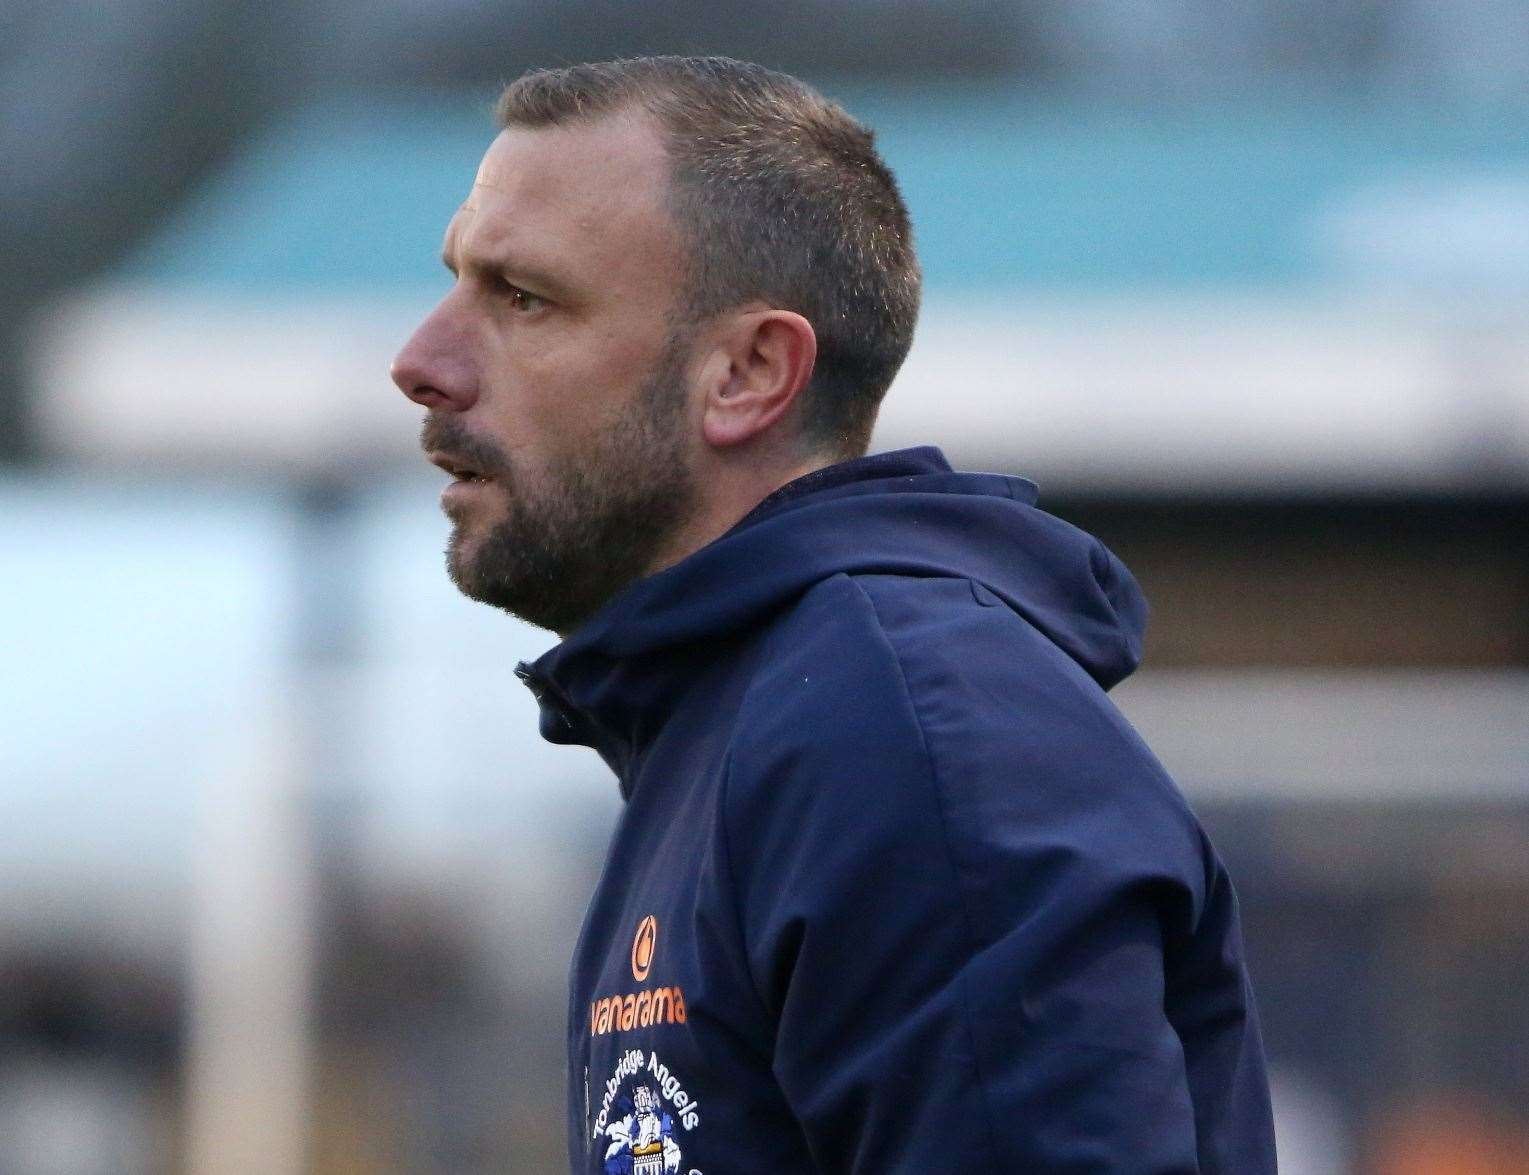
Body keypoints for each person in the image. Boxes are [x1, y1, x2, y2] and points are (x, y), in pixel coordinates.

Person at [391, 55, 1276, 1173]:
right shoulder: (744, 720)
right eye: (457, 281)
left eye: (524, 299)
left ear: (748, 372)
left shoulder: (906, 737)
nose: (421, 362)